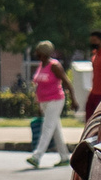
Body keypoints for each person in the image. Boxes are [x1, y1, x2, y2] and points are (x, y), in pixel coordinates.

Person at [27, 41, 73, 169]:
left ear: (44, 52)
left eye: (38, 52)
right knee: (55, 129)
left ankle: (37, 156)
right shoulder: (41, 65)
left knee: (47, 128)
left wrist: (73, 100)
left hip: (55, 100)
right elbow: (39, 85)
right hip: (44, 101)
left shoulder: (54, 66)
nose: (36, 54)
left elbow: (66, 82)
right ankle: (64, 157)